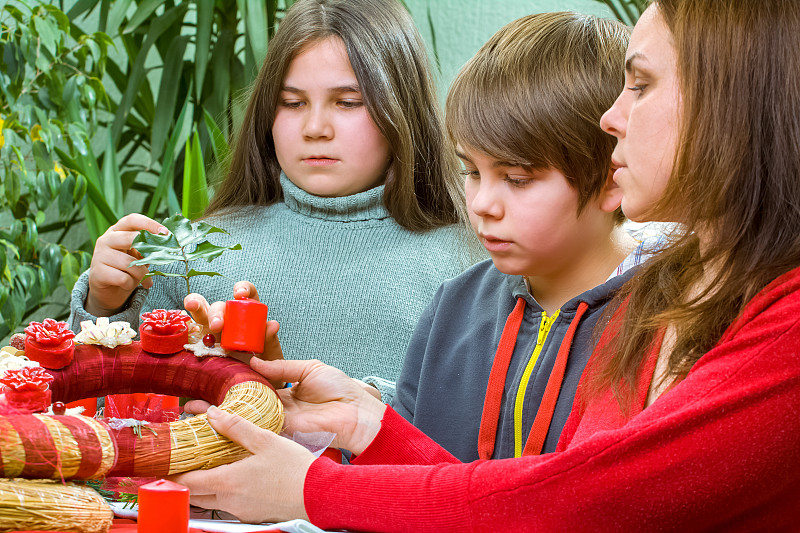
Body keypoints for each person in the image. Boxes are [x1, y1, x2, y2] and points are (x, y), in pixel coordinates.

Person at [174, 0, 800, 530]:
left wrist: (312, 489)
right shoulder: (696, 292)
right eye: (472, 172)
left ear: (733, 101)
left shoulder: (761, 319)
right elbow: (515, 494)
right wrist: (367, 423)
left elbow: (571, 502)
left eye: (640, 84)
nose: (613, 119)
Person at [68, 0, 481, 402]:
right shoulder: (199, 249)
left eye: (348, 102)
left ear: (402, 110)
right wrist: (105, 304)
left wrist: (368, 409)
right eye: (292, 102)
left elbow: (479, 434)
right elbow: (110, 410)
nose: (315, 127)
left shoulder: (471, 263)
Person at [393, 11, 662, 461]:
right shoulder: (453, 307)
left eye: (517, 179)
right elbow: (396, 478)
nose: (482, 204)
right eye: (471, 171)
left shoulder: (664, 323)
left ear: (611, 181)